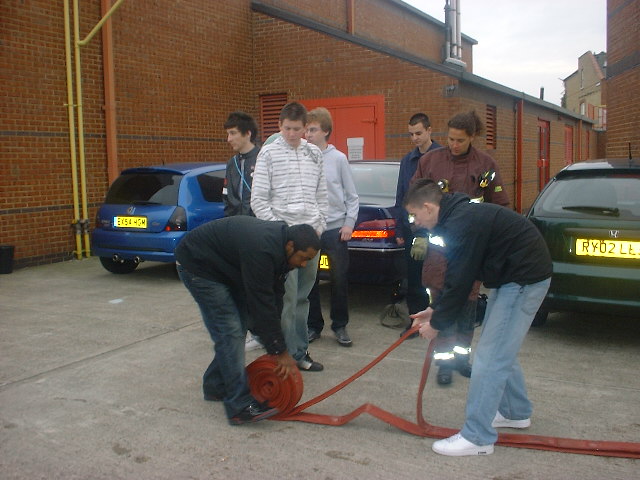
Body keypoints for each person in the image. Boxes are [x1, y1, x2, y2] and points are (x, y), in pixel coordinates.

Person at [404, 179, 552, 456]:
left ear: (427, 206)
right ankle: (515, 412)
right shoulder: (457, 217)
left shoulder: (461, 222)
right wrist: (437, 311)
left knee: (490, 357)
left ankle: (478, 437)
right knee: (498, 350)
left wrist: (436, 324)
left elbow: (460, 279)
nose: (415, 222)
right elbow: (459, 277)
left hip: (522, 279)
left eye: (415, 215)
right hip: (512, 278)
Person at [175, 216, 320, 425]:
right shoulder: (263, 250)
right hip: (198, 266)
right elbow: (260, 302)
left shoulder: (282, 251)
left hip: (226, 269)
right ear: (291, 246)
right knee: (231, 331)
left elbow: (274, 297)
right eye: (303, 258)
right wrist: (278, 351)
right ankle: (239, 406)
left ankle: (216, 386)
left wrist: (277, 344)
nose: (304, 264)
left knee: (238, 328)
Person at [411, 110, 510, 386]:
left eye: (460, 141)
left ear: (472, 137)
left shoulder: (485, 165)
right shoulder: (430, 162)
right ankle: (443, 364)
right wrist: (418, 234)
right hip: (438, 252)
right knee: (441, 305)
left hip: (471, 251)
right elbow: (414, 200)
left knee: (467, 308)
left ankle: (461, 359)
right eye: (450, 139)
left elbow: (499, 206)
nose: (454, 145)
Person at [251, 101, 328, 372]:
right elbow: (258, 201)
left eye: (297, 129)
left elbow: (322, 196)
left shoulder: (315, 155)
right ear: (279, 126)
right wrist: (279, 233)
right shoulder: (268, 154)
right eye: (287, 129)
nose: (292, 134)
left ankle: (300, 352)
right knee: (286, 300)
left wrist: (318, 227)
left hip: (311, 238)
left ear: (306, 128)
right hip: (284, 241)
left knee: (303, 299)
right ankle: (282, 355)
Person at [304, 107, 359, 347]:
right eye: (306, 130)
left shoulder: (339, 159)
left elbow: (352, 196)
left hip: (335, 230)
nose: (308, 134)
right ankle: (313, 326)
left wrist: (349, 223)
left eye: (313, 130)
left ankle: (340, 326)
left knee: (338, 280)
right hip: (310, 230)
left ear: (326, 131)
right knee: (310, 281)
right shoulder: (302, 157)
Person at [395, 113, 442, 337]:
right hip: (411, 228)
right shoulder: (407, 161)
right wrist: (399, 228)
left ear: (430, 130)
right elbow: (401, 196)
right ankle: (415, 322)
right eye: (411, 134)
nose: (414, 138)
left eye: (419, 133)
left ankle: (438, 319)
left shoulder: (442, 157)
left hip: (436, 229)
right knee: (414, 278)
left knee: (436, 275)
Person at [222, 111, 260, 217]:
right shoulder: (232, 163)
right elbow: (227, 197)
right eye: (228, 134)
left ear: (248, 133)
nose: (229, 139)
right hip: (236, 226)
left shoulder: (263, 159)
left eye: (233, 133)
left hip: (259, 226)